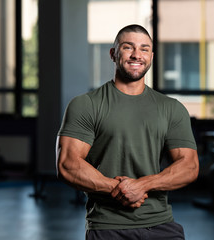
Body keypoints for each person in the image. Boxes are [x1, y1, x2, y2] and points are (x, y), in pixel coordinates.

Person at [56, 24, 199, 240]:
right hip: (107, 227)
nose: (136, 55)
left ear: (151, 56)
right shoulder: (86, 105)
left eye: (144, 49)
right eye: (128, 47)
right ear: (114, 54)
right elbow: (67, 164)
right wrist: (117, 188)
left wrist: (143, 185)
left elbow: (189, 166)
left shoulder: (172, 108)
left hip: (160, 224)